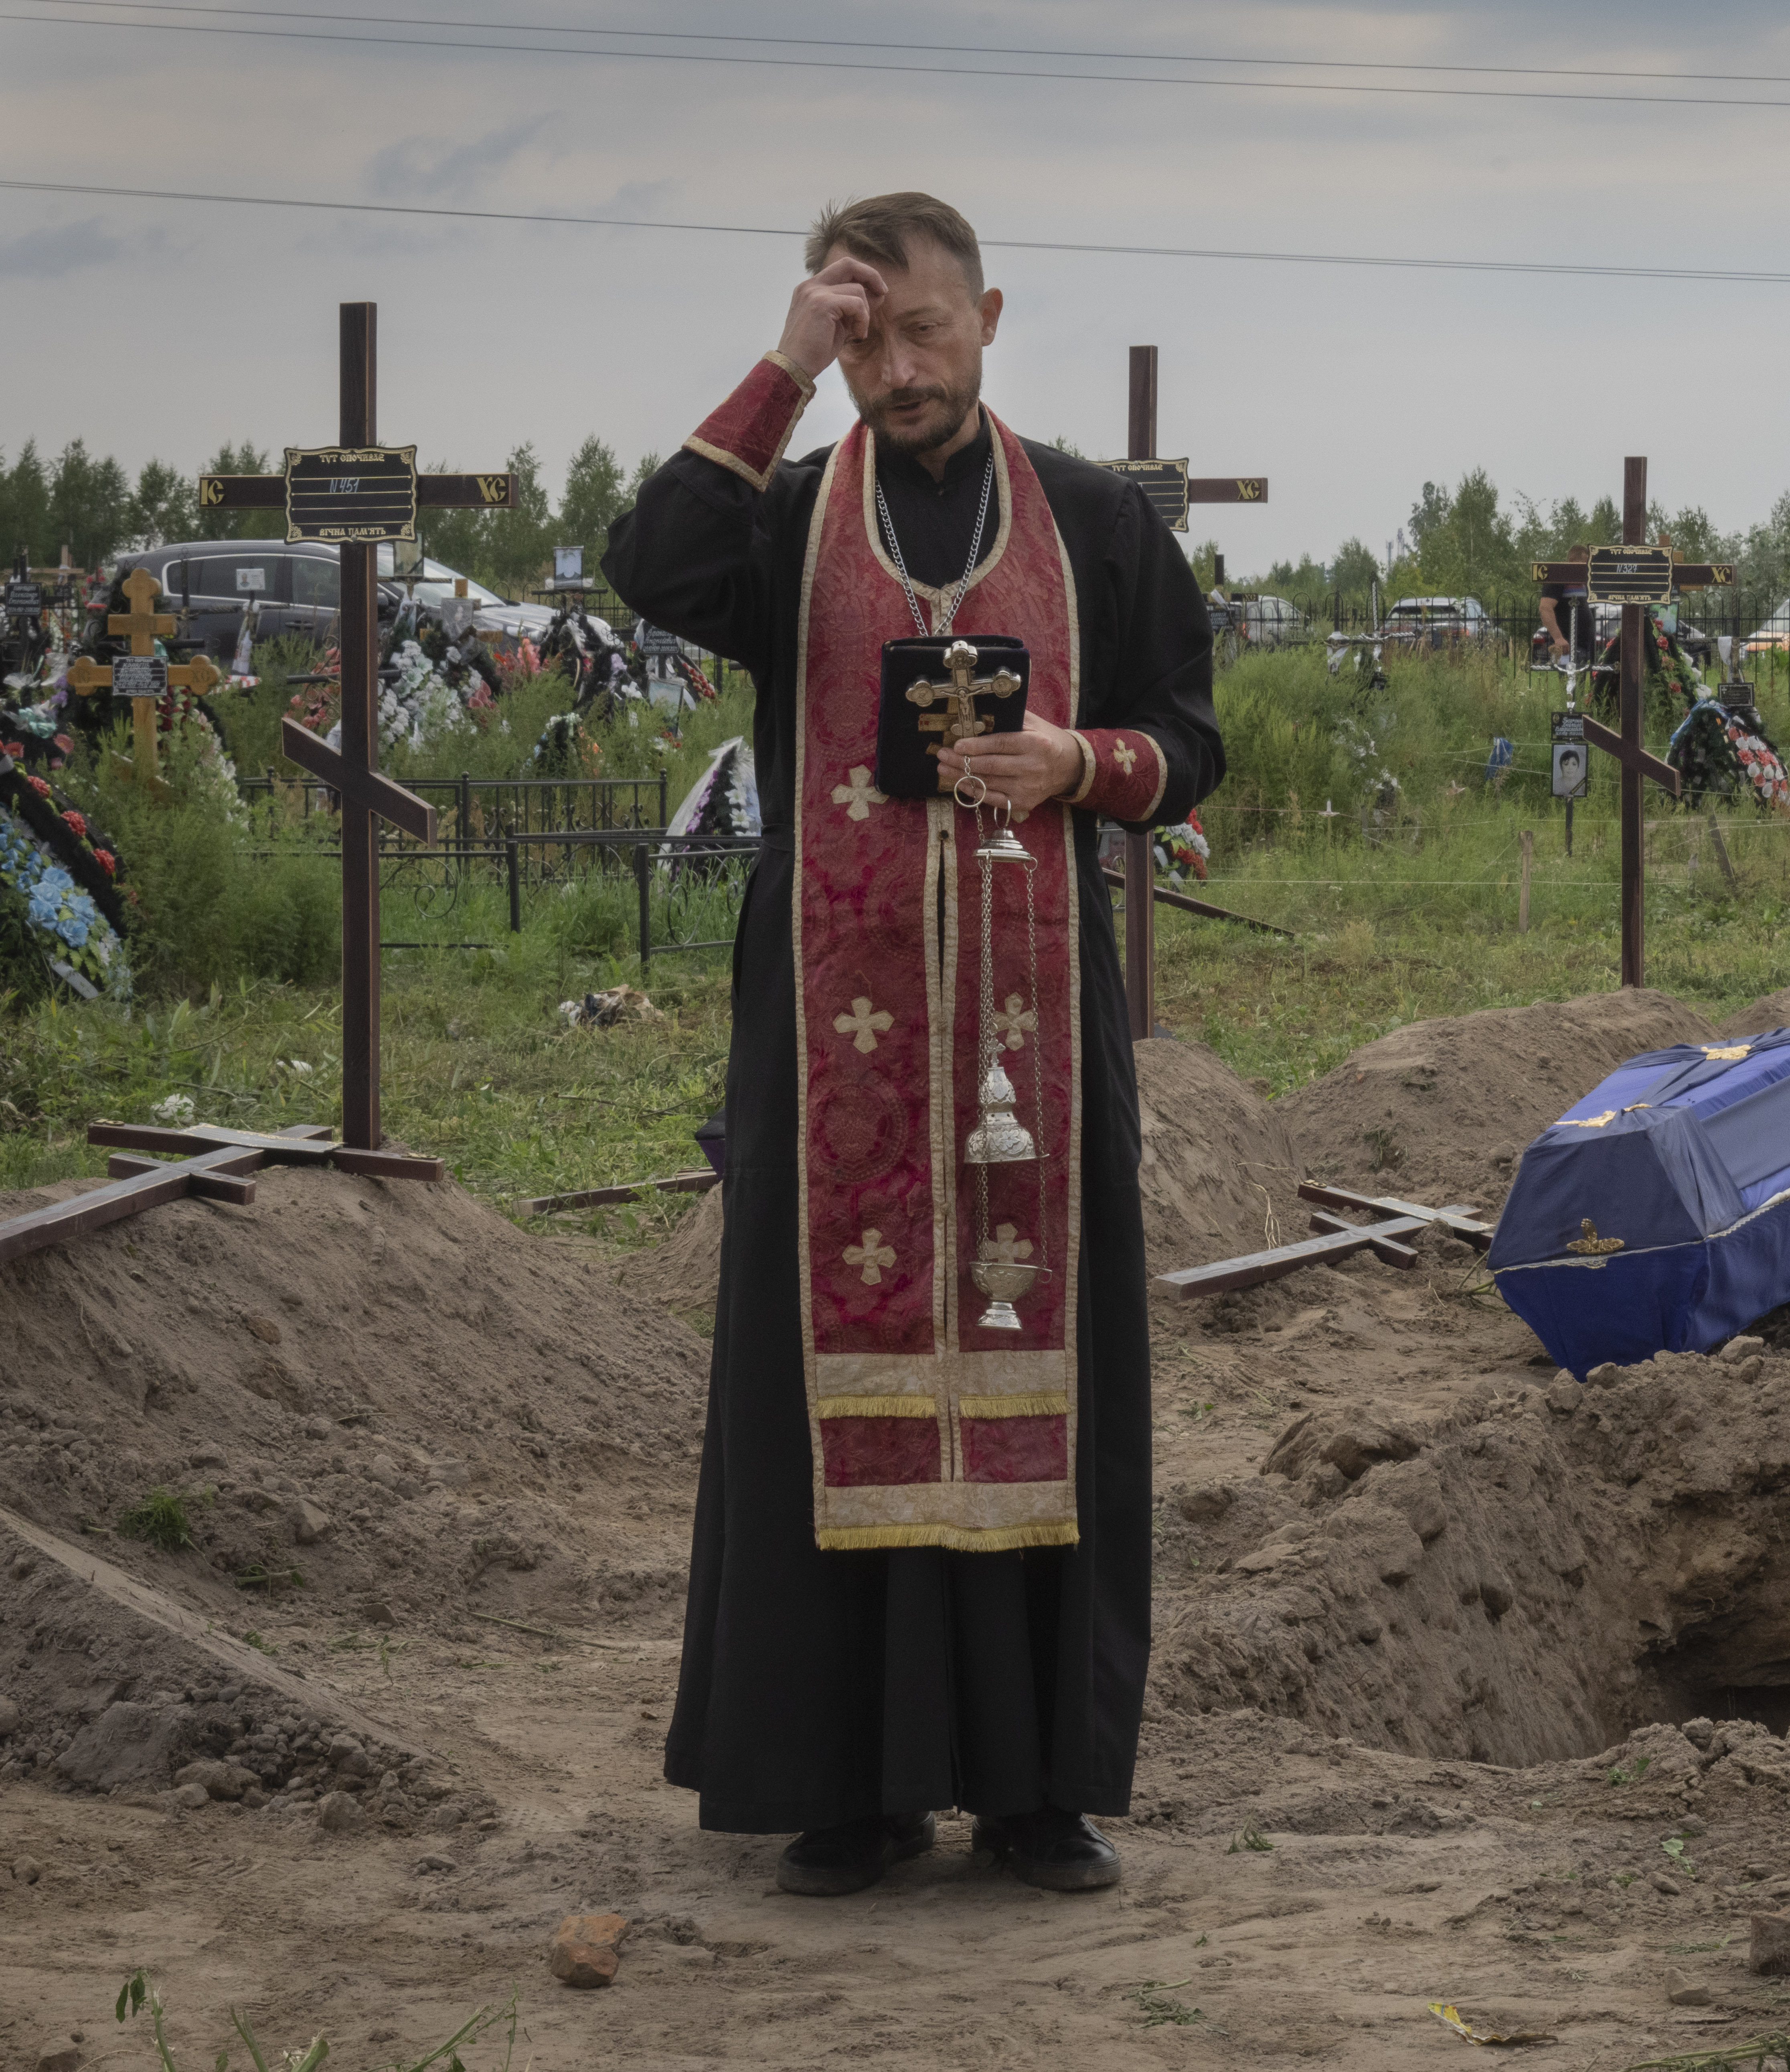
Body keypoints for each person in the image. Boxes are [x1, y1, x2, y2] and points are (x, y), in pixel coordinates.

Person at [605, 192, 1221, 1901]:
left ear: (993, 315)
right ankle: (842, 1787)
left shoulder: (1094, 518)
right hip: (834, 1039)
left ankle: (1038, 1791)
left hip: (1037, 1036)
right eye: (867, 338)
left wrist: (1076, 765)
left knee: (1051, 1383)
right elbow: (649, 564)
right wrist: (783, 363)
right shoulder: (789, 520)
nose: (900, 369)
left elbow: (1190, 734)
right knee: (822, 1386)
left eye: (922, 331)